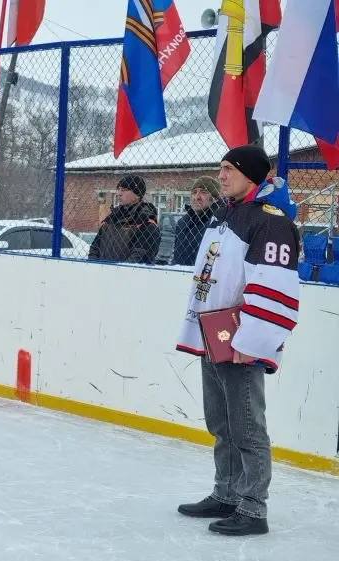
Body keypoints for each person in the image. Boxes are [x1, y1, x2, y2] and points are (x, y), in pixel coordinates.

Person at [175, 145, 300, 536]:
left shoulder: (270, 222)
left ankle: (252, 507)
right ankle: (226, 493)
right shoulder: (225, 213)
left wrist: (254, 339)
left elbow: (276, 285)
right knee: (221, 421)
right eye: (221, 168)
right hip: (213, 334)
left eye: (229, 168)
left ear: (251, 175)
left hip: (241, 339)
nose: (222, 175)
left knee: (247, 426)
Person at [88, 175, 160, 264]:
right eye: (119, 189)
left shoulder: (146, 222)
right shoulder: (111, 218)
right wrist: (94, 267)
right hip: (102, 273)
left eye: (124, 190)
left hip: (127, 276)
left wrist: (117, 272)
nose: (119, 193)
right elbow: (95, 248)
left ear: (137, 194)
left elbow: (139, 256)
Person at [172, 177, 223, 266]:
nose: (197, 197)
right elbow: (176, 257)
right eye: (194, 192)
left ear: (215, 198)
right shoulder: (182, 222)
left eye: (204, 192)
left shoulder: (220, 223)